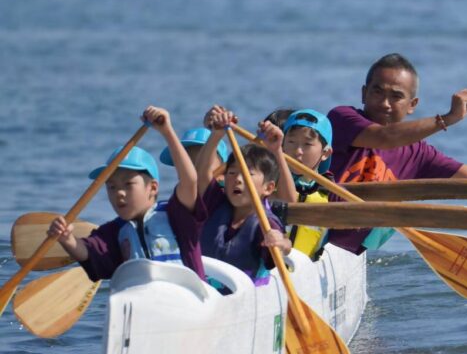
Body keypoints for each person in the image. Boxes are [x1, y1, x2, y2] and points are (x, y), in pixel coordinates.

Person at [324, 52, 467, 255]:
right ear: (364, 93)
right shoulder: (342, 119)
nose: (385, 103)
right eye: (377, 92)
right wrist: (447, 118)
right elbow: (385, 137)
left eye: (396, 96)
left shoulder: (418, 154)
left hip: (343, 251)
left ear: (412, 105)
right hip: (315, 231)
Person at [46, 106, 206, 281]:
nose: (119, 193)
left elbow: (190, 180)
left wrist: (167, 131)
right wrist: (66, 238)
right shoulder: (113, 231)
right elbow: (87, 252)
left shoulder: (176, 213)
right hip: (143, 301)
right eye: (111, 187)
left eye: (128, 184)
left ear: (152, 188)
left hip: (190, 298)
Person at [197, 106, 292, 285]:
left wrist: (282, 244)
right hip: (205, 294)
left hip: (243, 298)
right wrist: (216, 135)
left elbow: (283, 247)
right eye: (232, 173)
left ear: (269, 188)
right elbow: (202, 175)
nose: (238, 180)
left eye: (248, 174)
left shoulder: (266, 223)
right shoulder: (215, 202)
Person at [279, 109, 334, 259]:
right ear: (282, 145)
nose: (297, 151)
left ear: (325, 153)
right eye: (291, 142)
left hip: (306, 270)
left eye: (307, 144)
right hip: (271, 272)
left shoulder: (332, 194)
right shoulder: (269, 184)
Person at [159, 126, 229, 172]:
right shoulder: (180, 193)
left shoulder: (228, 193)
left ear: (223, 168)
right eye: (186, 164)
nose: (193, 172)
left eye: (203, 162)